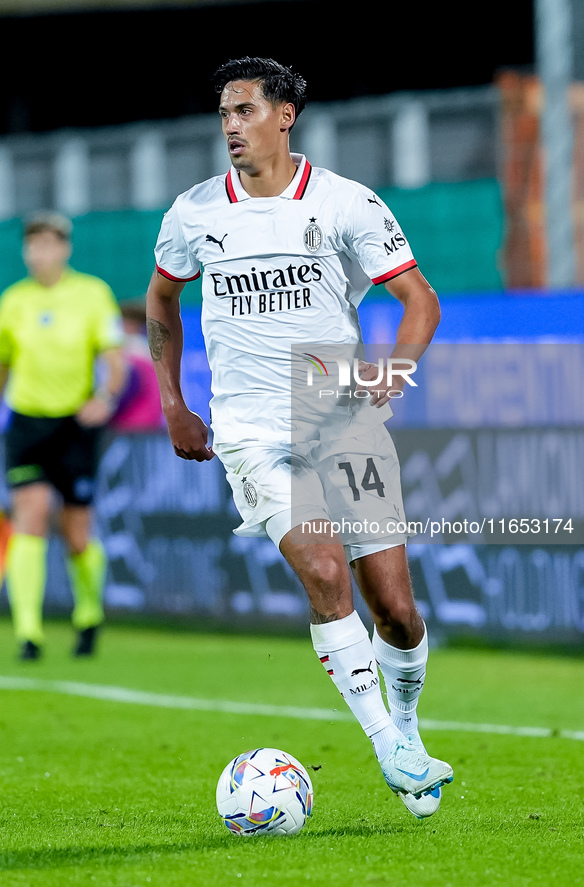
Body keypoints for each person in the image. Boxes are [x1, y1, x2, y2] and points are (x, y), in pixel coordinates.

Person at [146, 57, 453, 819]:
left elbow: (419, 298)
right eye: (223, 114)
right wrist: (174, 403)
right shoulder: (193, 213)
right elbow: (160, 299)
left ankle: (408, 724)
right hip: (249, 427)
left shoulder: (346, 202)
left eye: (244, 111)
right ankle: (388, 745)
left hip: (339, 416)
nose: (230, 128)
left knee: (396, 609)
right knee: (321, 568)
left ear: (285, 116)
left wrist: (397, 369)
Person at [0, 212, 126, 659]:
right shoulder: (13, 301)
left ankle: (89, 613)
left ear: (65, 249)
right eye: (33, 245)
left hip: (75, 427)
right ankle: (28, 633)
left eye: (49, 244)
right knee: (28, 517)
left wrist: (105, 397)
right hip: (28, 424)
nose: (40, 253)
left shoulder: (91, 294)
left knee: (76, 533)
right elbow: (3, 363)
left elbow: (115, 357)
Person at [109, 298, 164, 433]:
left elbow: (125, 390)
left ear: (130, 325)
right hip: (150, 424)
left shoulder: (130, 352)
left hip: (130, 426)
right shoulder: (150, 351)